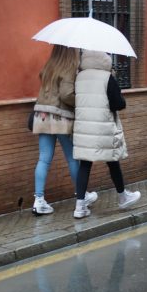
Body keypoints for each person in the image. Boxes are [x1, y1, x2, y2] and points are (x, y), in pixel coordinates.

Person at [72, 49, 141, 219]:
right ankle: (123, 196)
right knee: (112, 161)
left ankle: (80, 207)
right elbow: (118, 103)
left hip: (84, 129)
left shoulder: (79, 77)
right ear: (105, 59)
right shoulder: (106, 77)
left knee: (85, 165)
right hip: (103, 127)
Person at [32, 45, 98, 215]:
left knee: (44, 159)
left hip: (42, 115)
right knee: (72, 158)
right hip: (61, 117)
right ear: (70, 51)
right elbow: (66, 94)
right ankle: (81, 196)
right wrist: (82, 101)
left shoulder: (48, 66)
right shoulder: (68, 67)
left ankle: (39, 200)